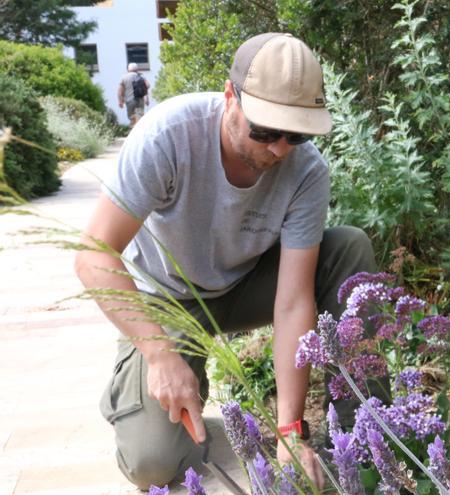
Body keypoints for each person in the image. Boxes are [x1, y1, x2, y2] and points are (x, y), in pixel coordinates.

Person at [76, 33, 376, 491]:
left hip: (245, 284)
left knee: (349, 248)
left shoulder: (306, 171)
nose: (279, 148)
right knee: (153, 463)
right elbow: (93, 255)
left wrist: (289, 429)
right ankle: (139, 388)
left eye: (295, 134)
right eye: (265, 131)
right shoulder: (167, 136)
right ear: (230, 96)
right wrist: (159, 354)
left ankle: (369, 433)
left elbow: (293, 300)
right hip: (168, 300)